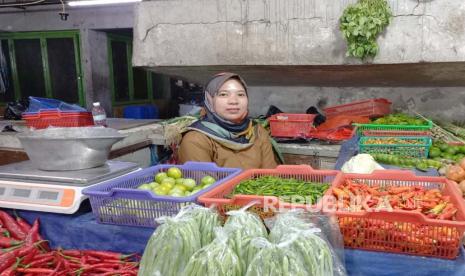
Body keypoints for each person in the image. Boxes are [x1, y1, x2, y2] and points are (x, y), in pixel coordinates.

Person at [178, 72, 278, 169]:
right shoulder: (196, 140)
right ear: (209, 100)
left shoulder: (257, 132)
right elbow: (205, 183)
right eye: (223, 94)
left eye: (240, 94)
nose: (234, 101)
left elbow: (270, 177)